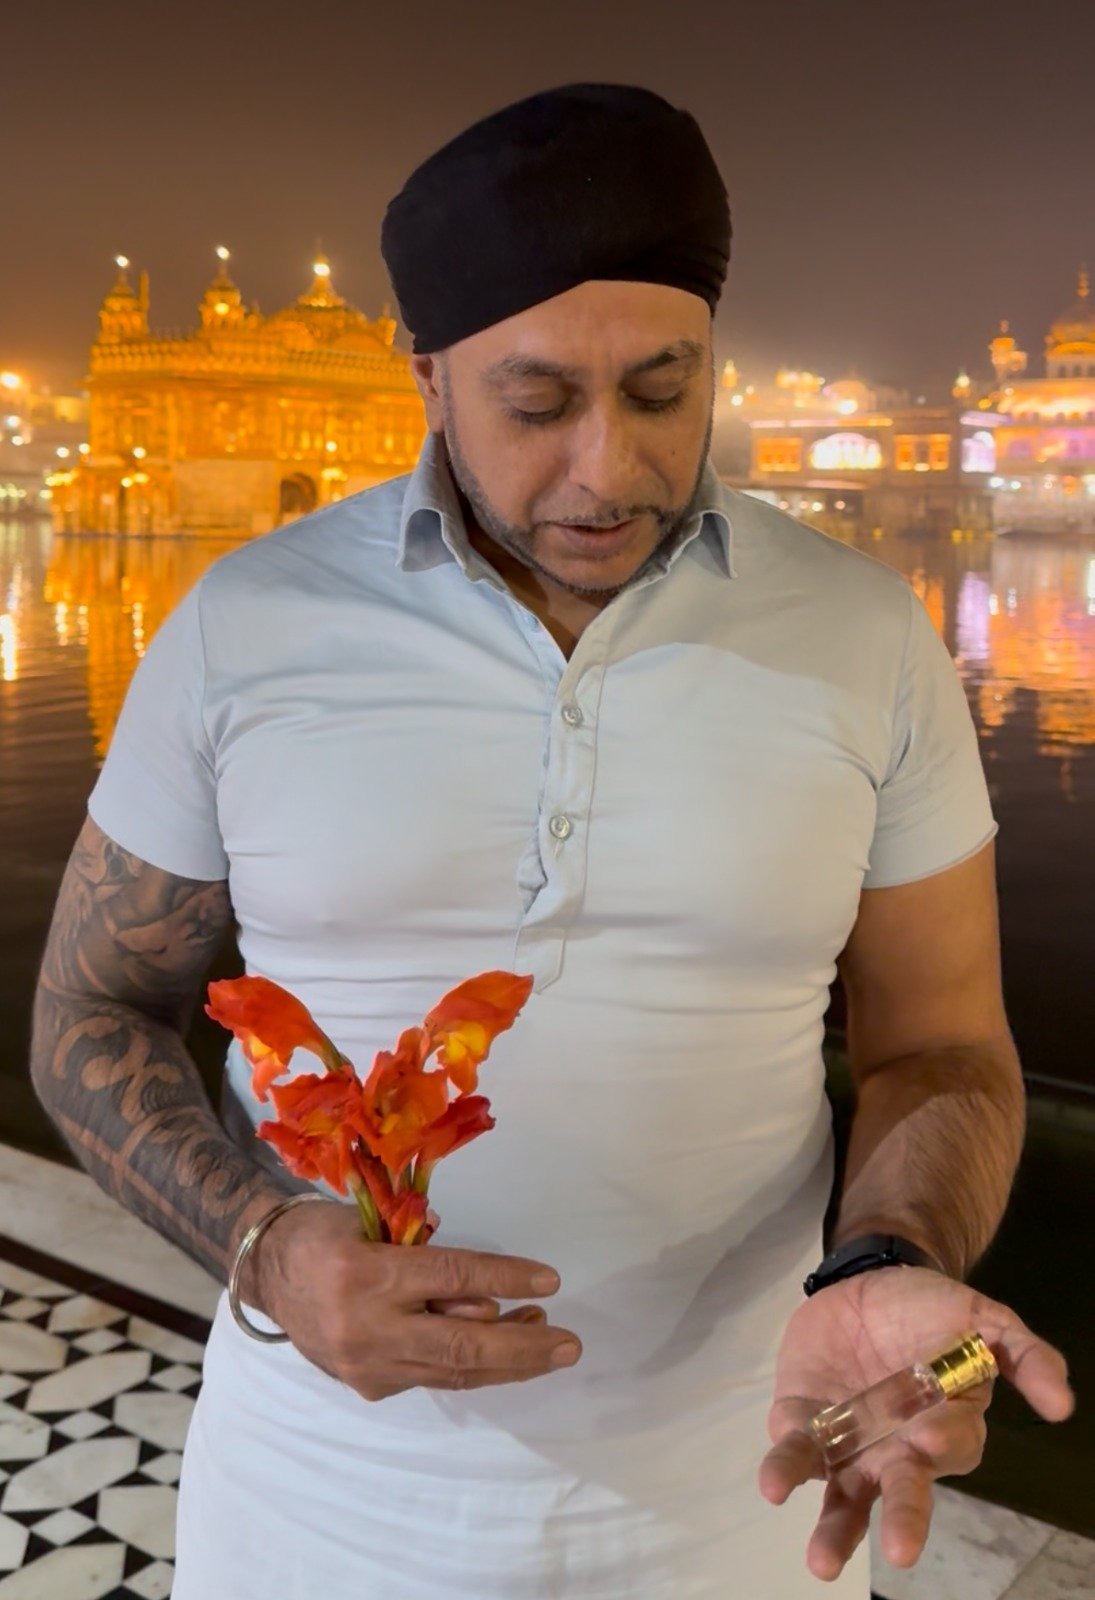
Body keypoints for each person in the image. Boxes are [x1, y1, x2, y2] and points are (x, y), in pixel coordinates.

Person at [31, 84, 1072, 1599]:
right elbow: (87, 1007)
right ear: (429, 376)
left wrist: (887, 1259)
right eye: (537, 405)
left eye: (664, 392)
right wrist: (263, 1245)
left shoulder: (863, 635)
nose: (608, 470)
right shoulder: (244, 629)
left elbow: (943, 1046)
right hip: (316, 1514)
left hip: (751, 1510)